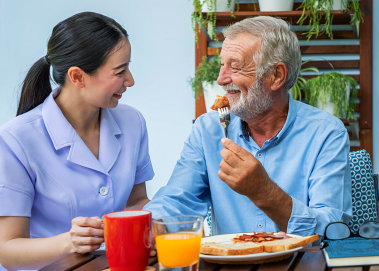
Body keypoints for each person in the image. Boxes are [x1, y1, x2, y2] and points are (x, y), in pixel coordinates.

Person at [145, 16, 352, 237]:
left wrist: (263, 192)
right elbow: (178, 201)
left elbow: (333, 229)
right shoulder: (208, 129)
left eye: (235, 67)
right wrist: (143, 225)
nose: (221, 79)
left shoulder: (326, 133)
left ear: (276, 76)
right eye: (222, 65)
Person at [0, 12, 154, 270]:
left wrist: (159, 225)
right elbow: (6, 249)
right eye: (120, 71)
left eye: (128, 66)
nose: (130, 80)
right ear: (77, 77)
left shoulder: (132, 122)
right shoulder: (15, 140)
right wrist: (68, 242)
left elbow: (135, 201)